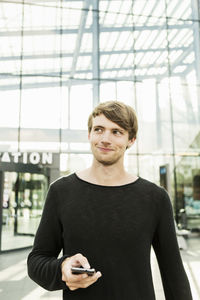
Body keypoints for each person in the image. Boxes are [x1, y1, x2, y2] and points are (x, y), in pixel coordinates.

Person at [27, 100, 193, 300]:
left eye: (116, 132)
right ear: (89, 135)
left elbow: (174, 274)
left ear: (131, 140)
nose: (105, 138)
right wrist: (62, 268)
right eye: (99, 129)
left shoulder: (155, 198)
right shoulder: (61, 192)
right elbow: (37, 261)